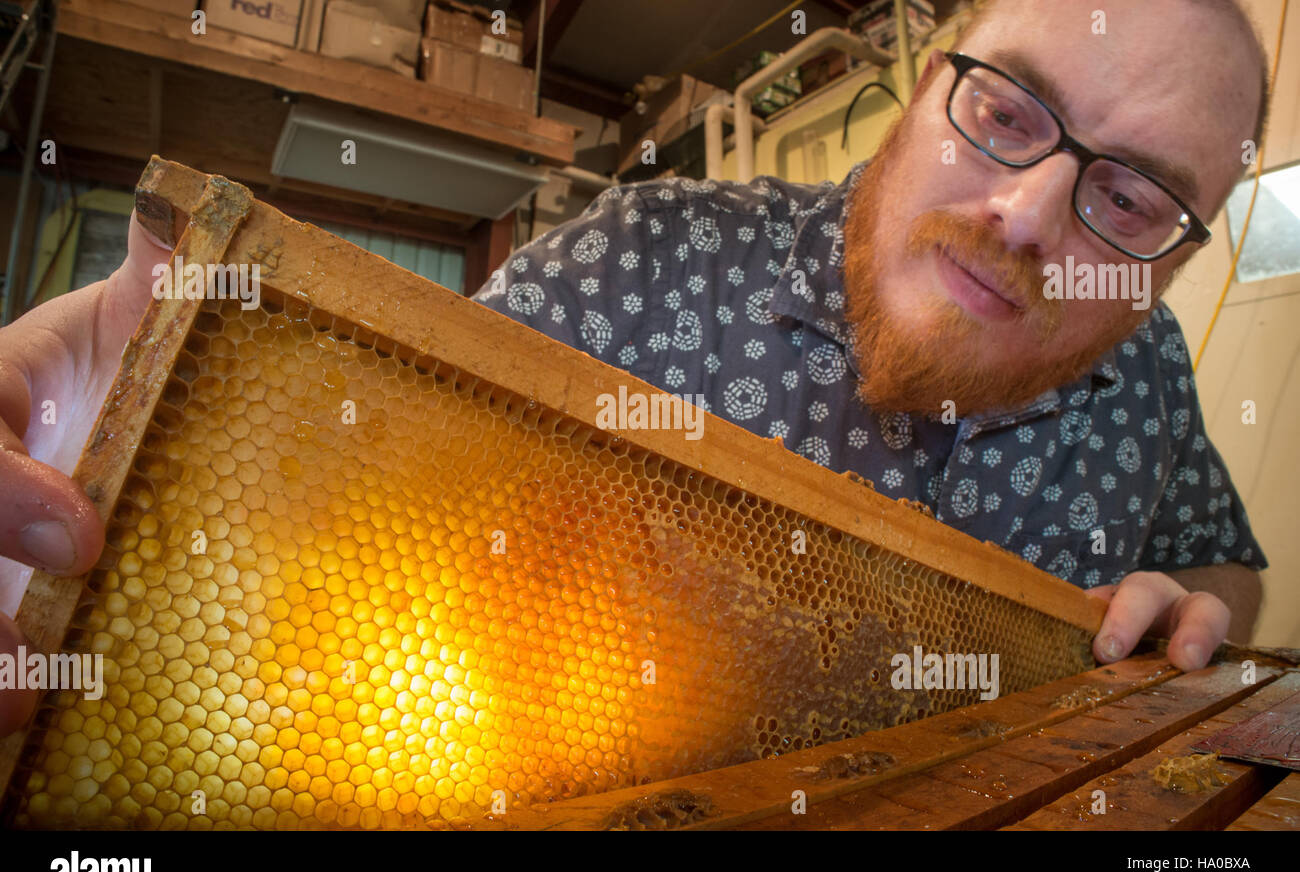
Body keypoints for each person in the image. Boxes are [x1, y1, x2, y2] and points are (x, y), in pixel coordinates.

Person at [0, 0, 1269, 739]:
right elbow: (348, 495)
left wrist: (1193, 614)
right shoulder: (649, 259)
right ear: (923, 84)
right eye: (1005, 112)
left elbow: (1222, 573)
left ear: (1169, 260)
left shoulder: (1148, 362)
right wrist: (119, 422)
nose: (1032, 215)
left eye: (1132, 196)